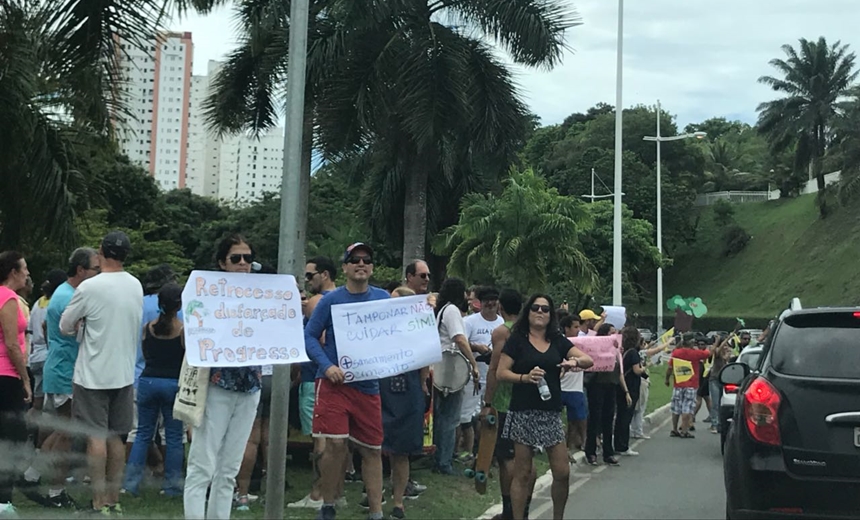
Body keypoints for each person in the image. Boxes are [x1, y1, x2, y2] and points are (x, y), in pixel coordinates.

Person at [304, 242, 391, 520]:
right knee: (335, 445)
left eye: (366, 259)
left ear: (372, 267)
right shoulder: (330, 300)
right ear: (344, 267)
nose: (361, 264)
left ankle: (376, 512)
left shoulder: (383, 298)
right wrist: (327, 366)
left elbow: (407, 322)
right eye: (355, 260)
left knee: (372, 449)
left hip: (367, 385)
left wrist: (426, 304)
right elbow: (309, 336)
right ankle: (328, 504)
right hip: (333, 385)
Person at [60, 231, 144, 516]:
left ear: (100, 253)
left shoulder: (90, 287)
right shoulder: (135, 285)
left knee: (96, 437)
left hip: (93, 373)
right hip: (124, 371)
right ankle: (112, 499)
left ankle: (97, 503)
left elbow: (64, 325)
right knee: (117, 437)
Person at [184, 234, 263, 520]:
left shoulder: (263, 296)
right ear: (222, 263)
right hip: (217, 384)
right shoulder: (206, 294)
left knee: (229, 468)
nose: (243, 264)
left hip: (250, 386)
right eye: (235, 258)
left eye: (247, 258)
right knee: (202, 464)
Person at [496, 294, 593, 520]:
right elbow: (501, 372)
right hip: (523, 411)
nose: (540, 312)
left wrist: (574, 362)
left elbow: (588, 360)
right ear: (528, 312)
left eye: (546, 309)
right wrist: (524, 377)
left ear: (551, 316)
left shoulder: (558, 341)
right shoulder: (517, 340)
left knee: (562, 471)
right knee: (523, 473)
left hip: (550, 413)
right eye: (536, 308)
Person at [37, 248, 100, 508]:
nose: (99, 272)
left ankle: (31, 474)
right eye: (96, 268)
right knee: (67, 433)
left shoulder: (66, 292)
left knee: (62, 428)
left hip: (61, 367)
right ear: (81, 270)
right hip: (65, 370)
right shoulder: (68, 299)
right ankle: (56, 491)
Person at [122, 283, 185, 497]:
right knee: (174, 436)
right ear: (179, 305)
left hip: (147, 381)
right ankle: (172, 486)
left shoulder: (148, 328)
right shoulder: (183, 331)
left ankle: (130, 484)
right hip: (173, 383)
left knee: (142, 434)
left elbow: (145, 352)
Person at [377, 286, 429, 520]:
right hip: (381, 391)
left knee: (402, 451)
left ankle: (398, 501)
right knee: (374, 448)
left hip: (408, 394)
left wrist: (422, 385)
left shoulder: (418, 330)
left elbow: (424, 362)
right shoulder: (378, 330)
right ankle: (374, 495)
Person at [481, 289, 530, 520]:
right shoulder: (532, 330)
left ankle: (510, 509)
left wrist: (488, 401)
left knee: (507, 457)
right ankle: (524, 508)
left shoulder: (502, 332)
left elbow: (494, 368)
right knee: (527, 455)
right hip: (529, 397)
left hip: (506, 398)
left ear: (500, 307)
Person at [431, 277, 480, 476]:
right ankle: (444, 461)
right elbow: (459, 338)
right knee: (450, 418)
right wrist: (473, 363)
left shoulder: (442, 309)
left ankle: (439, 456)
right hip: (450, 370)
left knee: (442, 417)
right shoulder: (451, 311)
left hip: (440, 368)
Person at [0, 251, 33, 518]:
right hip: (6, 376)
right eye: (24, 269)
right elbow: (12, 343)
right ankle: (3, 500)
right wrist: (25, 378)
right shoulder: (8, 298)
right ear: (13, 271)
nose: (27, 274)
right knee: (12, 438)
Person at [457, 286, 503, 462]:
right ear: (480, 303)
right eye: (486, 301)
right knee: (466, 415)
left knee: (491, 416)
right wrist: (476, 347)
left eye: (493, 300)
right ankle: (466, 451)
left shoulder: (501, 323)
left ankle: (487, 452)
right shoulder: (470, 322)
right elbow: (461, 343)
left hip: (494, 377)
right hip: (473, 376)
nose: (490, 304)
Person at [583, 323, 631, 466]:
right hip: (597, 385)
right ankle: (590, 452)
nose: (614, 335)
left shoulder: (615, 350)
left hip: (611, 385)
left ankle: (608, 453)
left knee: (608, 419)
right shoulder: (595, 347)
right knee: (594, 419)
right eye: (611, 332)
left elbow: (619, 369)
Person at [665, 333, 716, 438]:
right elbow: (710, 353)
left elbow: (670, 368)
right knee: (687, 408)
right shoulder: (696, 354)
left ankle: (674, 429)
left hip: (678, 384)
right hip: (691, 385)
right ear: (692, 342)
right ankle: (684, 430)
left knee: (676, 408)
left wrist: (667, 379)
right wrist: (716, 342)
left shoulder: (676, 352)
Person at [558, 314, 587, 456]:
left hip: (575, 387)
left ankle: (575, 444)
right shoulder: (560, 343)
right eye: (575, 327)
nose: (578, 329)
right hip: (561, 386)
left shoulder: (583, 343)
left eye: (578, 326)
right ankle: (564, 448)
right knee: (558, 420)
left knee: (576, 419)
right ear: (566, 328)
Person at [614, 327, 644, 456]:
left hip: (621, 386)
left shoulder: (623, 351)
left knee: (620, 417)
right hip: (631, 387)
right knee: (626, 417)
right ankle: (623, 446)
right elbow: (637, 370)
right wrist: (645, 368)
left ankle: (617, 444)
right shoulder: (633, 353)